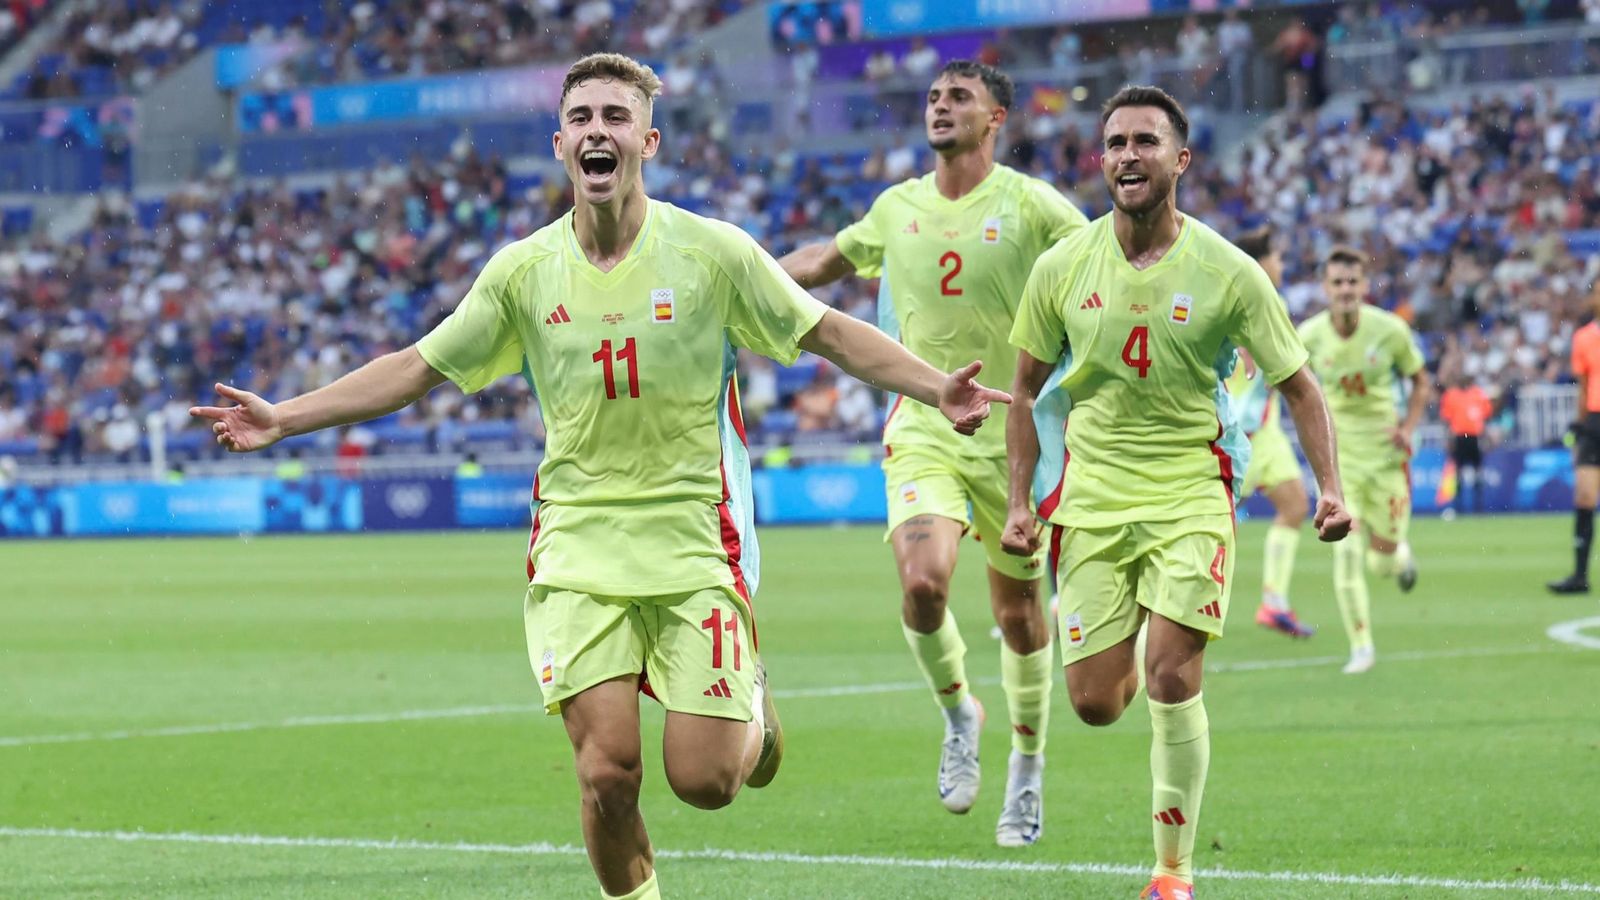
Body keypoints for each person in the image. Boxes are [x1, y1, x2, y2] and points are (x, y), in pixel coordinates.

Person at [190, 53, 1010, 900]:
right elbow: (415, 367)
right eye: (582, 118)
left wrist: (931, 384)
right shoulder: (522, 271)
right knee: (607, 775)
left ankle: (755, 724)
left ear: (647, 140)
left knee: (707, 780)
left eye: (616, 118)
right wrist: (284, 416)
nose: (598, 132)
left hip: (694, 539)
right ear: (559, 143)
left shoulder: (712, 252)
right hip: (578, 545)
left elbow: (826, 330)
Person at [1001, 86, 1351, 900]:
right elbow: (1022, 388)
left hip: (1192, 493)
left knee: (1169, 674)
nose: (1128, 155)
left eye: (1146, 142)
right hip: (1089, 503)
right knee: (1093, 702)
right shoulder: (1062, 267)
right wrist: (1021, 501)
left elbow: (1300, 385)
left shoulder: (1228, 272)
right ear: (1101, 159)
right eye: (1115, 142)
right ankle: (1144, 644)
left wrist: (1329, 488)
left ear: (1180, 160)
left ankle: (1173, 874)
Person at [779, 59, 1088, 847]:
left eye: (959, 97)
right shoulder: (897, 206)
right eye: (933, 97)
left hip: (1017, 435)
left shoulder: (1033, 207)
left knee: (1020, 617)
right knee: (923, 584)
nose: (940, 106)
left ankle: (1027, 764)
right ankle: (960, 713)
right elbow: (823, 263)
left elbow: (1101, 272)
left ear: (997, 119)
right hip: (923, 426)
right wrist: (739, 283)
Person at [1299, 246, 1430, 674]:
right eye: (1337, 283)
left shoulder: (1390, 330)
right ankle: (1361, 647)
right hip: (1340, 464)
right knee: (1347, 553)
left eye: (1352, 282)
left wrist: (1408, 429)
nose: (1345, 290)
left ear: (1364, 286)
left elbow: (1421, 383)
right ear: (1326, 288)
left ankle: (1401, 556)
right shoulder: (1310, 335)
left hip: (1386, 460)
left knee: (1384, 556)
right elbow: (1295, 389)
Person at [1223, 225, 1315, 639]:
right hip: (1234, 432)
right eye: (1276, 257)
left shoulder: (1270, 300)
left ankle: (1273, 603)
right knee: (1215, 527)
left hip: (1265, 428)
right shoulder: (1245, 298)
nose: (1281, 265)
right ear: (1261, 264)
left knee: (1295, 504)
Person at [1549, 280, 1600, 594]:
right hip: (1594, 422)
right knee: (1584, 496)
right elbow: (1583, 387)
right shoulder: (1583, 338)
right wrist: (1578, 425)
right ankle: (1580, 575)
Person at [1438, 371, 1492, 515]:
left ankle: (1478, 506)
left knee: (1477, 472)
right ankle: (1458, 505)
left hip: (1474, 437)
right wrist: (1448, 439)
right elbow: (1447, 420)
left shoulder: (1477, 394)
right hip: (1460, 437)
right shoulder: (1451, 395)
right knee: (1459, 473)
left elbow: (1486, 415)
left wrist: (1486, 436)